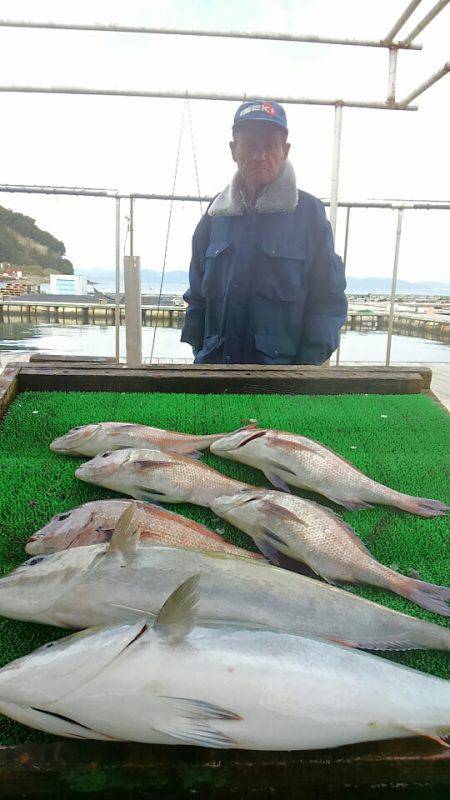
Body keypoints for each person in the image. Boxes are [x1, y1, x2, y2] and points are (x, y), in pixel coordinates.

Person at [181, 100, 347, 365]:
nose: (259, 155)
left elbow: (328, 300)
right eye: (249, 145)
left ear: (285, 151)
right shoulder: (215, 216)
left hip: (282, 383)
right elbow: (197, 296)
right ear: (234, 151)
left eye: (270, 146)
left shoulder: (309, 214)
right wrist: (201, 350)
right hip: (214, 374)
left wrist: (304, 370)